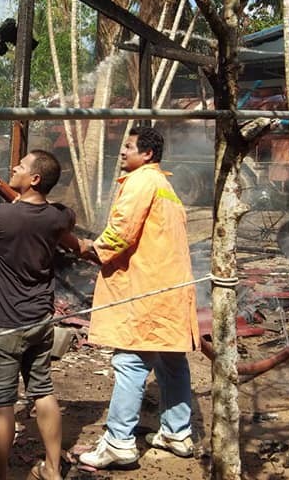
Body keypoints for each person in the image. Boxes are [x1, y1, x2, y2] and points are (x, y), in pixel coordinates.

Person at [76, 126, 200, 469]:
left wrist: (91, 249)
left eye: (128, 147)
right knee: (171, 361)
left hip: (147, 289)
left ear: (147, 154)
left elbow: (121, 232)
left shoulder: (141, 181)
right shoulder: (164, 184)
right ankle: (177, 432)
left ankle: (118, 442)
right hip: (169, 288)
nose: (122, 152)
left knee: (130, 362)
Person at [0, 150, 76, 480]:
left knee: (3, 404)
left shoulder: (0, 217)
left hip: (3, 325)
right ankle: (52, 469)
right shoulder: (58, 217)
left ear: (34, 179)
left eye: (21, 166)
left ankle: (1, 477)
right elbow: (66, 217)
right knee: (43, 392)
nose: (14, 167)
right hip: (40, 320)